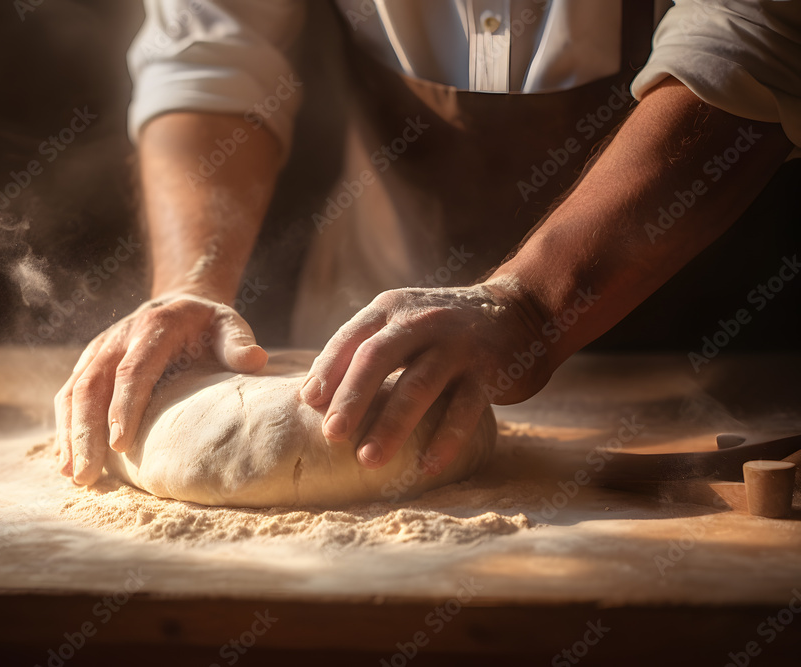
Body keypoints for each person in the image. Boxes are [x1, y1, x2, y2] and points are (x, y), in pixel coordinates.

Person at [54, 0, 801, 486]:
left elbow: (755, 40)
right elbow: (210, 55)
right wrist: (193, 279)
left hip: (699, 340)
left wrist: (536, 303)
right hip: (360, 320)